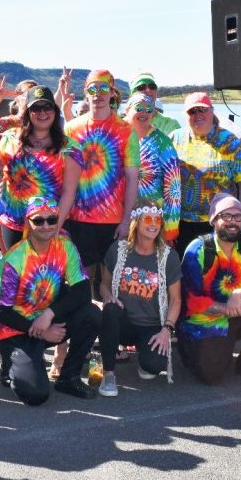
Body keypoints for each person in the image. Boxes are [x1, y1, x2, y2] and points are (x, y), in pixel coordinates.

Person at [58, 69, 139, 376]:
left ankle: (109, 348)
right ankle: (74, 351)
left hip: (112, 221)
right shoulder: (73, 127)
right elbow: (64, 176)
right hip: (78, 220)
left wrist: (127, 217)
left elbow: (132, 178)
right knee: (78, 286)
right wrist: (61, 219)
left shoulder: (125, 129)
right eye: (93, 88)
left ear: (112, 92)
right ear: (86, 92)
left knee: (109, 288)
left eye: (104, 88)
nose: (98, 94)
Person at [0, 197, 102, 404]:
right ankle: (10, 363)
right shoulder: (14, 260)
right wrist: (44, 330)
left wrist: (49, 315)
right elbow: (2, 313)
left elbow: (82, 290)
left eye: (52, 220)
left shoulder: (65, 246)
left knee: (91, 314)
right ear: (27, 223)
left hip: (45, 320)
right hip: (16, 331)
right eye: (38, 220)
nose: (46, 226)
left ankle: (69, 377)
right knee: (36, 395)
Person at [179, 194, 241, 385]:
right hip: (205, 322)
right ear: (214, 220)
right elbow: (191, 301)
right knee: (212, 376)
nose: (232, 222)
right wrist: (232, 309)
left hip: (237, 314)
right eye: (226, 216)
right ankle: (189, 350)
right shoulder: (198, 250)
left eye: (237, 216)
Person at [98, 201, 182, 397]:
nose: (153, 224)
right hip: (124, 321)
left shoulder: (168, 256)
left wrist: (166, 330)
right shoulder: (118, 250)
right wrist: (109, 297)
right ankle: (108, 374)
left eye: (157, 219)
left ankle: (145, 357)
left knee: (154, 366)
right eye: (148, 219)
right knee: (109, 310)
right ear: (136, 221)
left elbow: (176, 299)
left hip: (151, 326)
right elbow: (103, 284)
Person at [0, 85, 82, 251]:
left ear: (55, 111)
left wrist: (55, 227)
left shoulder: (69, 147)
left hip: (46, 226)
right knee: (12, 273)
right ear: (28, 112)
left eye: (47, 107)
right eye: (36, 108)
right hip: (11, 223)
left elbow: (69, 192)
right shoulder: (10, 138)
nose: (42, 113)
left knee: (43, 276)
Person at [171, 92, 241, 257]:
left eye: (202, 110)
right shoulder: (175, 138)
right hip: (181, 223)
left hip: (220, 223)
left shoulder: (229, 141)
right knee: (186, 273)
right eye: (192, 111)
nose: (198, 115)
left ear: (212, 111)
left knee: (217, 275)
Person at [123, 91, 181, 244]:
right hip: (118, 217)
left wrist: (170, 229)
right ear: (126, 110)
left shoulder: (162, 143)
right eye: (139, 108)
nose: (144, 113)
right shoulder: (116, 137)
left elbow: (173, 187)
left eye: (149, 109)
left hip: (152, 220)